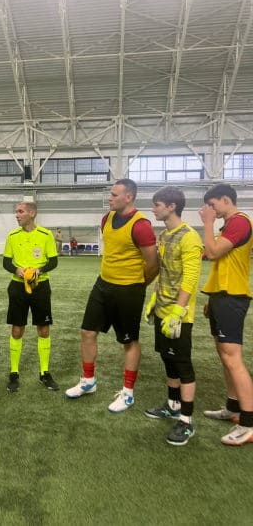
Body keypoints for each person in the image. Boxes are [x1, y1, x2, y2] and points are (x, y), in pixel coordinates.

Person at [65, 179, 158, 412]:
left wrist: (138, 285)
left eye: (115, 194)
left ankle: (128, 393)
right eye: (111, 194)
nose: (110, 197)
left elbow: (153, 264)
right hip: (103, 284)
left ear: (129, 197)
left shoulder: (141, 225)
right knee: (87, 332)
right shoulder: (107, 218)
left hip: (129, 289)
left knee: (129, 341)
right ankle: (88, 381)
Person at [143, 187, 203, 446]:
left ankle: (187, 422)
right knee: (167, 359)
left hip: (179, 315)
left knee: (183, 364)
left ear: (171, 206)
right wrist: (154, 301)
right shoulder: (164, 235)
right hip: (162, 309)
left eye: (157, 205)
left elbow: (190, 277)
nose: (153, 209)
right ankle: (173, 405)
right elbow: (164, 272)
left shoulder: (190, 236)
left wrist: (178, 310)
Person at [199, 183, 253, 446]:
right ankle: (233, 407)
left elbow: (211, 253)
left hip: (233, 297)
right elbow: (219, 262)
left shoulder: (240, 222)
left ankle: (249, 424)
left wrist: (207, 223)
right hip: (222, 296)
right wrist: (212, 298)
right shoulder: (229, 225)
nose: (211, 210)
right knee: (224, 355)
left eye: (213, 205)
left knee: (233, 359)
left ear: (225, 199)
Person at [3, 201, 59, 392]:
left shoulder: (46, 234)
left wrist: (39, 270)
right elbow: (6, 262)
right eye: (16, 212)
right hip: (17, 288)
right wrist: (17, 270)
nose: (17, 215)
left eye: (20, 211)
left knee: (43, 329)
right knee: (17, 329)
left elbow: (53, 261)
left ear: (32, 213)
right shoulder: (12, 235)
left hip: (40, 287)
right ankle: (14, 373)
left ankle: (44, 373)